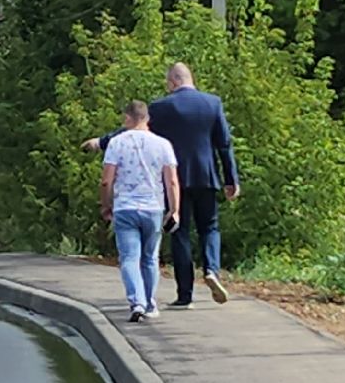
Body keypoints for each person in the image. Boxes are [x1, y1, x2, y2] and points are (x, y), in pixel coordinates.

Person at [82, 63, 239, 306]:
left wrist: (100, 142)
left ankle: (185, 295)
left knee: (180, 232)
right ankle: (212, 270)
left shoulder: (161, 107)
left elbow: (134, 131)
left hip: (175, 178)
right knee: (210, 227)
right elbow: (224, 144)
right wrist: (231, 179)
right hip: (206, 176)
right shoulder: (213, 103)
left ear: (174, 81)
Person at [99, 100, 180, 323]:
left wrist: (105, 205)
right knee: (150, 258)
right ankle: (150, 303)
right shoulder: (163, 144)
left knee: (129, 258)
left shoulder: (116, 143)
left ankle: (137, 302)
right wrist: (174, 210)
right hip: (153, 207)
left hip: (125, 207)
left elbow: (107, 181)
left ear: (128, 118)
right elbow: (172, 181)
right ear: (147, 119)